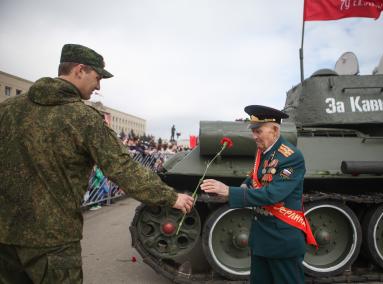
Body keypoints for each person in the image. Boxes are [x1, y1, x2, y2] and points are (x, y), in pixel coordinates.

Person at [0, 43, 193, 284]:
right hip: (52, 240)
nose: (99, 85)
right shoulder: (83, 118)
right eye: (97, 76)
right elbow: (122, 168)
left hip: (5, 234)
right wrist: (170, 197)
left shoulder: (7, 109)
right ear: (80, 70)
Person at [201, 105, 316, 284]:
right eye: (253, 131)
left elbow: (272, 194)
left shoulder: (291, 156)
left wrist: (229, 191)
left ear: (275, 130)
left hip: (281, 241)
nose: (254, 136)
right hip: (262, 239)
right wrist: (230, 193)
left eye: (258, 131)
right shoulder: (264, 152)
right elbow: (254, 180)